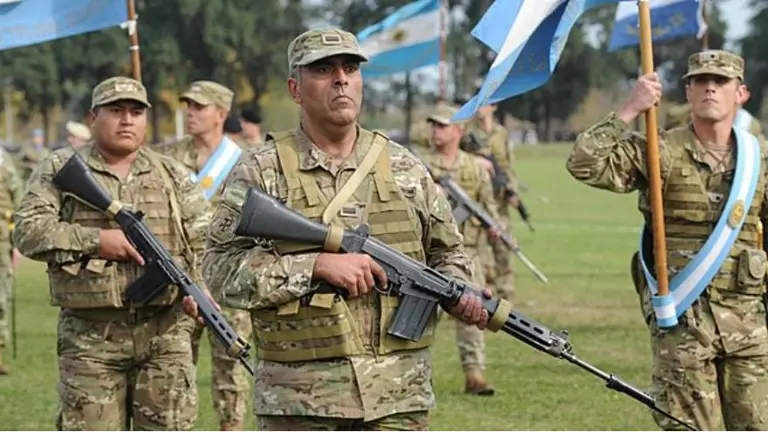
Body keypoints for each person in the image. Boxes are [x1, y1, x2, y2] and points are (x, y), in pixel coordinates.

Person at [192, 27, 491, 431]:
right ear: (295, 89)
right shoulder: (260, 170)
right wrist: (314, 267)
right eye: (324, 69)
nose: (341, 79)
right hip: (301, 403)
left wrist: (459, 289)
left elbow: (449, 252)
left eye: (351, 68)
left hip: (397, 399)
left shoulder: (405, 167)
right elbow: (219, 270)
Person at [565, 50, 768, 430]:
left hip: (748, 327)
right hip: (683, 324)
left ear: (741, 93)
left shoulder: (760, 160)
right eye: (700, 81)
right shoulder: (660, 150)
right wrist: (628, 110)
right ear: (687, 92)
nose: (710, 88)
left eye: (720, 81)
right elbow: (583, 164)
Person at [12, 76, 211, 430]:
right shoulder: (61, 170)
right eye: (115, 110)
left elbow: (204, 244)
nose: (127, 120)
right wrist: (98, 241)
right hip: (91, 339)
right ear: (93, 117)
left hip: (165, 336)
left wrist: (202, 290)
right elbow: (28, 232)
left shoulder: (173, 175)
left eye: (136, 112)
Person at [155, 80, 252, 431]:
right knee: (175, 364)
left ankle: (232, 426)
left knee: (232, 361)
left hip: (229, 278)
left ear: (221, 114)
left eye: (200, 106)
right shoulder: (166, 157)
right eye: (188, 106)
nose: (190, 113)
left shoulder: (245, 161)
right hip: (180, 277)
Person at [418, 102, 500, 396]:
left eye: (442, 125)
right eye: (433, 125)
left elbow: (489, 208)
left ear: (458, 130)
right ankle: (415, 374)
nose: (435, 131)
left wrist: (495, 230)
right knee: (423, 316)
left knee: (472, 313)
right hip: (427, 255)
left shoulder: (475, 168)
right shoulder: (417, 165)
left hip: (469, 254)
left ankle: (474, 374)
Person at [462, 102, 518, 301]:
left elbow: (508, 165)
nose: (481, 108)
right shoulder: (467, 131)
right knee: (480, 249)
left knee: (504, 245)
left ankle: (506, 292)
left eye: (486, 104)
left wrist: (513, 190)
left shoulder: (501, 133)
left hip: (499, 198)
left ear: (494, 107)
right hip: (478, 198)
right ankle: (485, 292)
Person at [0, 146, 23, 376]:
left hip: (1, 241)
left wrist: (16, 241)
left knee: (0, 296)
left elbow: (19, 201)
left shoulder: (3, 161)